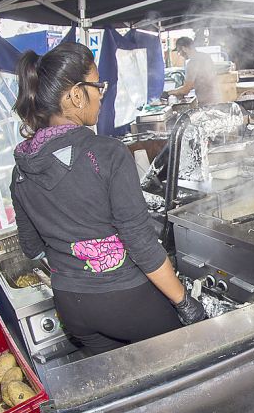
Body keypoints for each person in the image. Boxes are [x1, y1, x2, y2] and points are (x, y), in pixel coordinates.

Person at [11, 42, 206, 356]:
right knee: (180, 370)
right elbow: (141, 244)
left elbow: (32, 248)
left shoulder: (20, 170)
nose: (102, 93)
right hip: (125, 302)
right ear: (76, 94)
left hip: (71, 308)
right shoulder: (107, 153)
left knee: (120, 385)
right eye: (97, 85)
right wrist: (184, 301)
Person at [163, 36, 223, 105]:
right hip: (217, 98)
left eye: (179, 51)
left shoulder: (192, 63)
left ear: (184, 48)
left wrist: (168, 93)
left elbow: (186, 90)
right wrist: (178, 91)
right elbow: (201, 81)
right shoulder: (205, 56)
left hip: (207, 102)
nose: (180, 55)